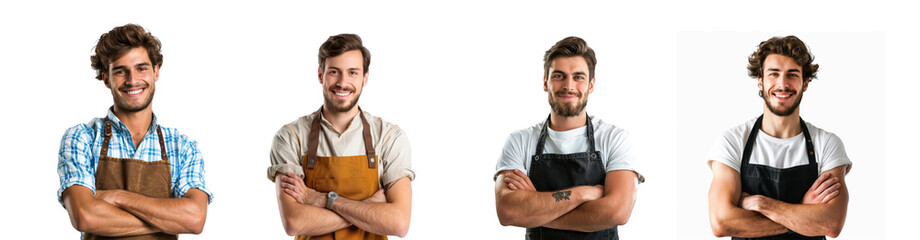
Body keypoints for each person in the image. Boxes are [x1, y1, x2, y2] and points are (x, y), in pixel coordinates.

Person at [57, 24, 213, 239]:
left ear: (156, 71)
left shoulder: (182, 146)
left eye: (142, 68)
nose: (132, 80)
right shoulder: (81, 138)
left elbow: (194, 219)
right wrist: (168, 220)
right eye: (120, 71)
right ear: (105, 78)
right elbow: (85, 216)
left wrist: (118, 197)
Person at [494, 36, 643, 239]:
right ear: (545, 83)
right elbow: (508, 211)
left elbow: (617, 211)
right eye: (559, 76)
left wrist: (534, 209)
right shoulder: (519, 140)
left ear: (591, 85)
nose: (568, 85)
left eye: (578, 77)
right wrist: (582, 194)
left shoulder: (614, 138)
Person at [268, 33, 414, 240]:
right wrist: (369, 209)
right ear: (320, 75)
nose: (343, 82)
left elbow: (399, 223)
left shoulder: (389, 137)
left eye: (353, 73)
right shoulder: (291, 137)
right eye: (334, 72)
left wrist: (323, 200)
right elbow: (294, 222)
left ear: (365, 78)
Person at [707, 35, 851, 239]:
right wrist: (801, 211)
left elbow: (832, 223)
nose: (782, 84)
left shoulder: (826, 144)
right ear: (760, 81)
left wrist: (761, 204)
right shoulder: (732, 142)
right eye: (773, 74)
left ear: (806, 82)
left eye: (792, 75)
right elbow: (721, 222)